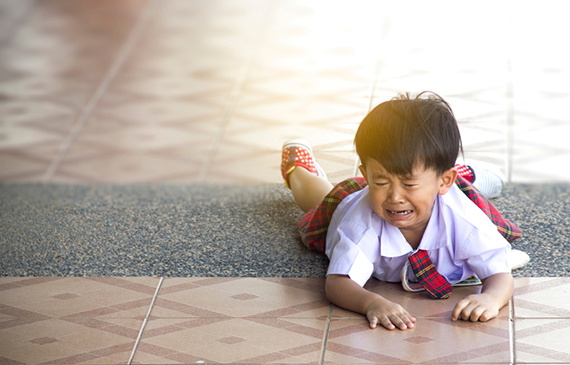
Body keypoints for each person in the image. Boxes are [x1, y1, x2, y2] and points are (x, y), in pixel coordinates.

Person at [281, 92, 529, 331]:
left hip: (448, 193)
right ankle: (298, 169)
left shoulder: (464, 218)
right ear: (366, 174)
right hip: (354, 198)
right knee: (320, 199)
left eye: (408, 183)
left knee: (492, 225)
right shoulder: (360, 223)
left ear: (444, 180)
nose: (395, 197)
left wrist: (491, 299)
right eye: (380, 181)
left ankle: (465, 177)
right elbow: (337, 283)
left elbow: (500, 274)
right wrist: (371, 303)